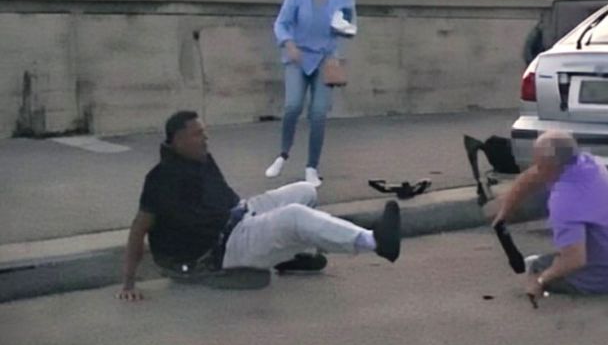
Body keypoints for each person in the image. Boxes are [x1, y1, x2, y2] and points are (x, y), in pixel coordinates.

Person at [117, 110, 400, 301]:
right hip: (224, 247)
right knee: (294, 217)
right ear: (178, 140)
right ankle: (374, 241)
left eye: (204, 132)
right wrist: (129, 283)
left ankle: (292, 257)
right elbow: (138, 229)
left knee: (305, 190)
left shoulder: (199, 157)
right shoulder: (160, 180)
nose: (206, 138)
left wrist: (246, 211)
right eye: (198, 134)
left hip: (240, 214)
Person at [493, 130, 608, 300]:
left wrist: (541, 280)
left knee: (538, 267)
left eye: (540, 163)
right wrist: (504, 212)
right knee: (565, 252)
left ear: (553, 165)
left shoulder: (564, 200)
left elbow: (575, 260)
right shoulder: (590, 163)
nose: (535, 165)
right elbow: (532, 175)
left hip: (607, 278)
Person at [265, 0, 357, 187]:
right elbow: (282, 22)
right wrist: (289, 44)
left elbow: (350, 27)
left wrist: (343, 28)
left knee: (318, 112)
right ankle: (283, 154)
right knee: (293, 105)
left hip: (325, 58)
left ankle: (311, 167)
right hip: (298, 55)